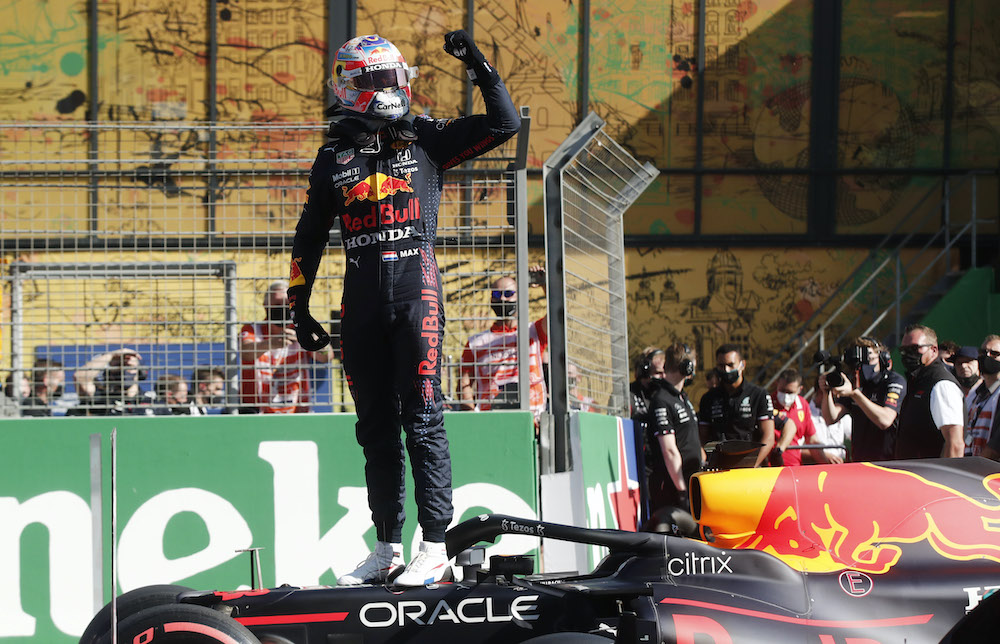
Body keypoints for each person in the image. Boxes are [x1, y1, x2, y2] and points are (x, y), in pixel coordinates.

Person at [286, 31, 520, 587]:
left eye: (391, 77)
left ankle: (434, 544)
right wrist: (298, 305)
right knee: (374, 428)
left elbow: (504, 124)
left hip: (417, 292)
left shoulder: (425, 139)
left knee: (423, 417)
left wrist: (481, 67)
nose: (386, 88)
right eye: (373, 79)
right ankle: (387, 546)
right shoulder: (333, 156)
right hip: (359, 300)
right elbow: (309, 234)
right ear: (348, 86)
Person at [459, 268, 547, 421]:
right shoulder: (475, 343)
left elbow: (557, 317)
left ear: (519, 296)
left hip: (532, 420)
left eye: (508, 294)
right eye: (497, 295)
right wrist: (473, 420)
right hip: (491, 422)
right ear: (491, 300)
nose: (503, 300)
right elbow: (464, 384)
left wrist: (545, 285)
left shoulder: (534, 331)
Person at [240, 280, 333, 413]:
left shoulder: (302, 329)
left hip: (297, 410)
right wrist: (272, 343)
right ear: (266, 305)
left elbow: (326, 357)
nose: (282, 308)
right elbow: (245, 353)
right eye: (277, 304)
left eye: (286, 304)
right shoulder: (252, 329)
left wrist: (313, 342)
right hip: (257, 410)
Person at [820, 336, 905, 462]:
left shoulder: (893, 381)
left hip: (889, 462)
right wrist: (826, 392)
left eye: (869, 359)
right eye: (859, 362)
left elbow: (885, 420)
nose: (863, 366)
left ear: (882, 359)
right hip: (860, 461)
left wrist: (855, 394)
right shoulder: (854, 382)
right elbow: (830, 418)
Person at [643, 343, 703, 519]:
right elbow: (669, 450)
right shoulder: (662, 400)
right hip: (673, 489)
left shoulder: (681, 397)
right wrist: (682, 490)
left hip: (689, 483)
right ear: (688, 367)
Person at [698, 343, 775, 467]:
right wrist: (704, 461)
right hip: (718, 468)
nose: (726, 370)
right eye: (721, 366)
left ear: (742, 364)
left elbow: (769, 437)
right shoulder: (708, 398)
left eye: (730, 365)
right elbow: (702, 437)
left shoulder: (759, 395)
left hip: (750, 467)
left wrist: (751, 465)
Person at [895, 324, 964, 458]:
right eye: (904, 350)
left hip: (929, 477)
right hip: (911, 474)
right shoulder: (919, 381)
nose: (909, 354)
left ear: (933, 350)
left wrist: (941, 479)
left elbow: (955, 444)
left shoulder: (941, 385)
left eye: (915, 348)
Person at [771, 368, 838, 465]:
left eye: (790, 392)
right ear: (777, 384)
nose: (785, 396)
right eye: (782, 390)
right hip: (771, 468)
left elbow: (811, 440)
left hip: (795, 468)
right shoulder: (767, 403)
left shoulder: (803, 405)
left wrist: (827, 465)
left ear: (799, 389)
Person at [67, 348, 155, 416]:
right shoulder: (101, 399)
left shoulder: (152, 401)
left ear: (140, 371)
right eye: (118, 365)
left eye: (128, 366)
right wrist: (111, 355)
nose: (123, 370)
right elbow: (80, 377)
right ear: (108, 373)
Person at [966, 335, 1000, 458]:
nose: (987, 356)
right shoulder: (975, 394)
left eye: (994, 353)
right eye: (983, 352)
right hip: (970, 464)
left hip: (990, 471)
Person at [807, 375, 852, 463]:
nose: (837, 397)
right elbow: (798, 449)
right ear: (820, 391)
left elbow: (853, 436)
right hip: (815, 468)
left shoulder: (842, 413)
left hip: (840, 466)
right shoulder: (806, 413)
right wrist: (823, 455)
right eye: (833, 393)